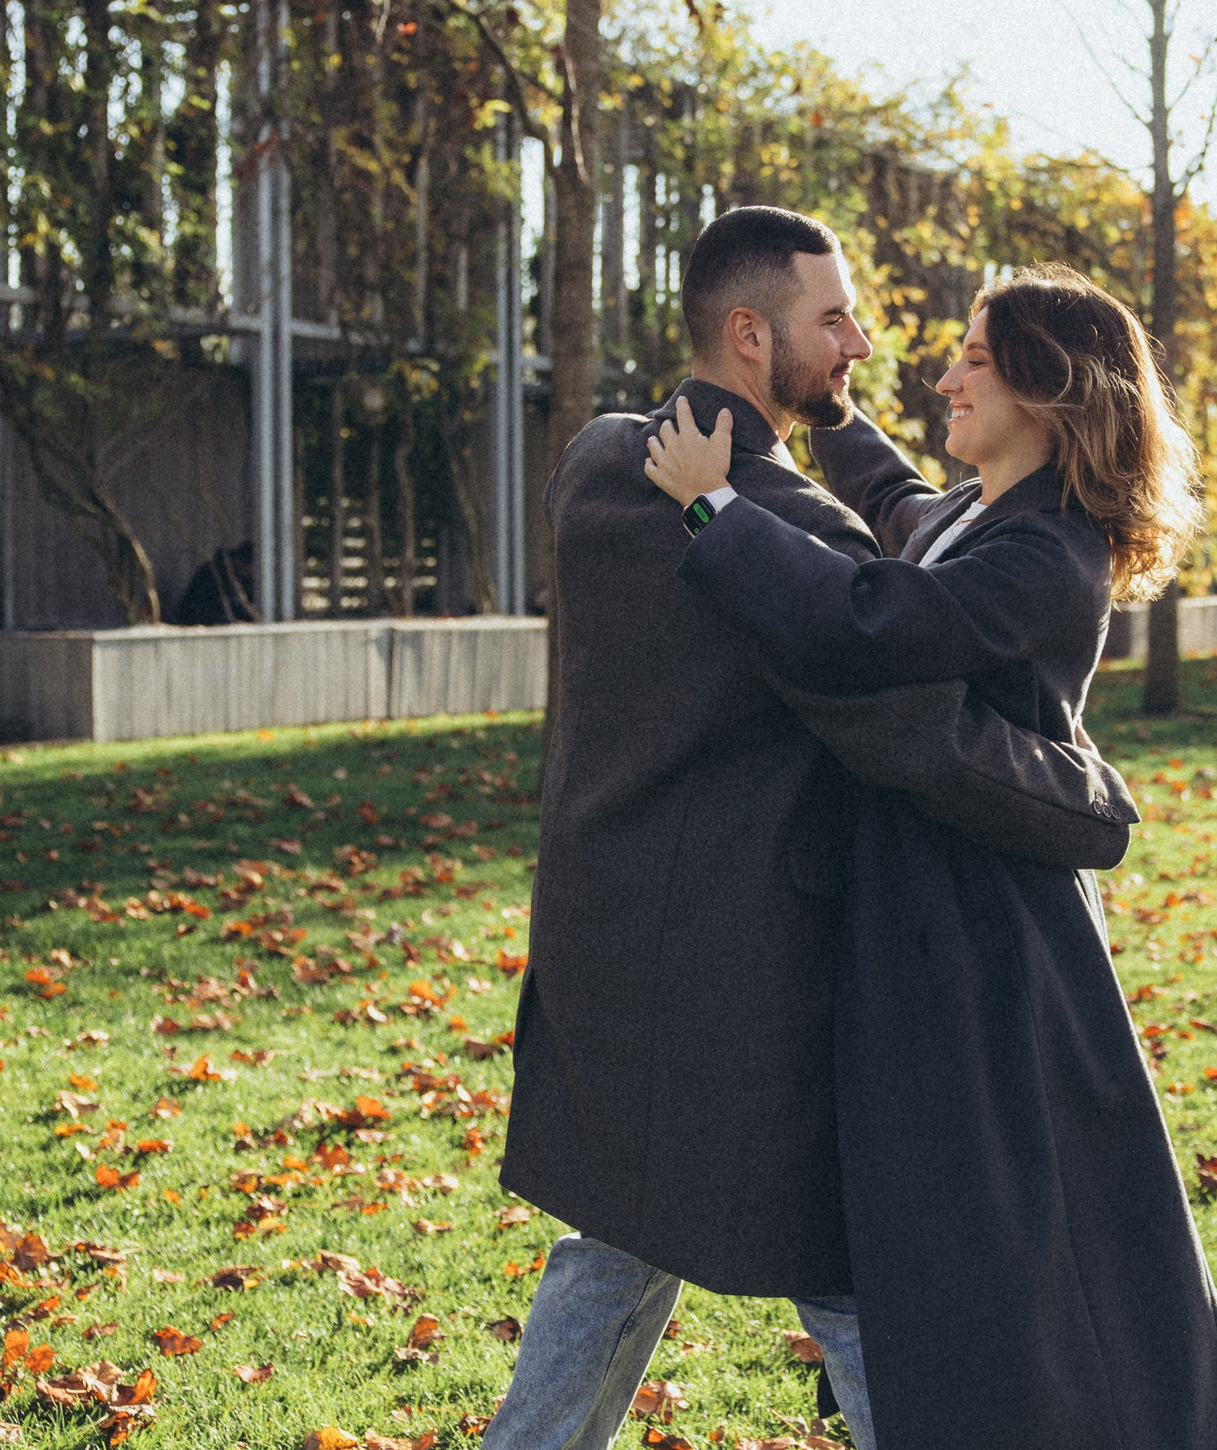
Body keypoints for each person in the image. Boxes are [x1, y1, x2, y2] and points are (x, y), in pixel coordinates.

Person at [488, 209, 1140, 1450]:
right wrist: (1089, 801)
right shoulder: (776, 533)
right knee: (840, 1265)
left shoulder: (597, 463)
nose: (865, 340)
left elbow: (894, 507)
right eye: (834, 319)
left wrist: (833, 424)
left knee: (622, 1241)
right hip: (753, 959)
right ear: (750, 334)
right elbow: (920, 733)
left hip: (604, 931)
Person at [644, 263, 1217, 1450]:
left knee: (1021, 1239)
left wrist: (710, 510)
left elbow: (877, 622)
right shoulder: (984, 515)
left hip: (989, 943)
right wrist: (835, 414)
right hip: (930, 916)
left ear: (1049, 384)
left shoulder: (1049, 556)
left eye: (974, 359)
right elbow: (896, 504)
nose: (946, 376)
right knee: (970, 1234)